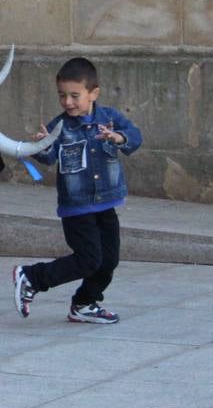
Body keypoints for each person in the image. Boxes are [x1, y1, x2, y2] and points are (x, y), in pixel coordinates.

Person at [12, 56, 142, 324]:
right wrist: (42, 146)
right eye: (62, 96)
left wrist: (118, 137)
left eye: (74, 95)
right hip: (77, 207)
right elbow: (49, 159)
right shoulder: (58, 127)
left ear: (93, 93)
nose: (68, 102)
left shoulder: (110, 119)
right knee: (88, 259)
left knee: (108, 261)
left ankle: (84, 303)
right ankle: (31, 277)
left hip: (106, 203)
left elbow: (135, 137)